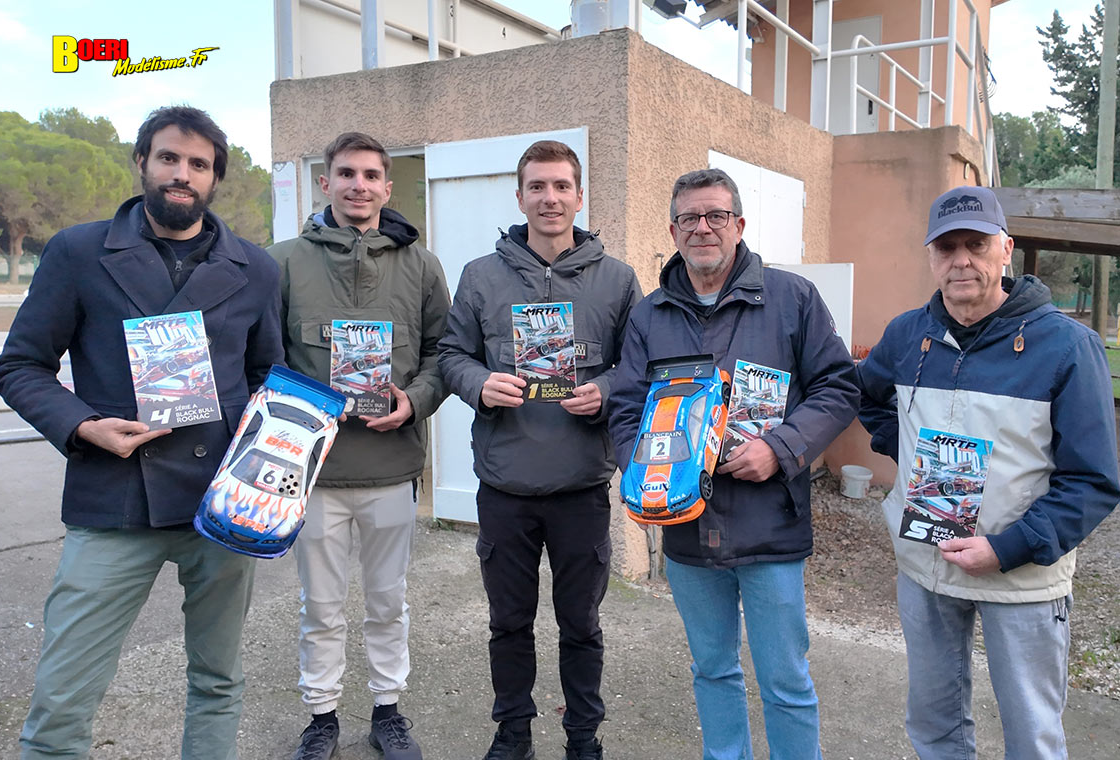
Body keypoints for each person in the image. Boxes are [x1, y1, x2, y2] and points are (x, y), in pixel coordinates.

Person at [0, 105, 284, 760]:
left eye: (199, 164)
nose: (183, 174)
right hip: (113, 500)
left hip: (221, 504)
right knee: (62, 695)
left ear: (216, 179)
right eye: (169, 158)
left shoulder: (258, 269)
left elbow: (269, 371)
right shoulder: (77, 251)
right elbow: (19, 367)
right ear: (142, 163)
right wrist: (85, 425)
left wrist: (280, 447)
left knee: (218, 680)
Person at [857, 185, 1120, 759]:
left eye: (975, 244)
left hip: (1021, 579)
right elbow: (869, 395)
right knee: (933, 724)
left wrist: (1007, 548)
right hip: (926, 568)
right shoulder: (908, 334)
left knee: (1031, 733)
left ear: (1006, 249)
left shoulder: (1069, 346)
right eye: (946, 248)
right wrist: (906, 453)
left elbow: (1094, 479)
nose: (961, 261)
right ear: (931, 257)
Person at [608, 168, 859, 760]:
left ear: (739, 225)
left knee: (785, 681)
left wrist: (781, 448)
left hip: (770, 524)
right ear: (673, 230)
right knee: (713, 670)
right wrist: (642, 475)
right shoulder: (649, 317)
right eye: (690, 218)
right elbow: (625, 410)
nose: (703, 228)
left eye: (716, 215)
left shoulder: (791, 298)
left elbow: (837, 388)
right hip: (688, 527)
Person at [438, 140, 641, 760]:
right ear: (520, 195)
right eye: (537, 187)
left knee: (581, 625)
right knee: (509, 624)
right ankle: (513, 735)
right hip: (506, 486)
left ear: (580, 196)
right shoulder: (481, 276)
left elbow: (639, 366)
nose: (549, 198)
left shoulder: (618, 279)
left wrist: (605, 388)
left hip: (581, 484)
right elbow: (451, 356)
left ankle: (583, 738)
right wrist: (480, 384)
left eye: (561, 186)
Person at [268, 132, 450, 760]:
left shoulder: (422, 266)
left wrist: (415, 400)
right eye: (346, 173)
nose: (359, 185)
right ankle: (320, 715)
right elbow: (263, 359)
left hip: (391, 467)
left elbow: (441, 356)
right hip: (313, 472)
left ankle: (387, 709)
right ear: (326, 182)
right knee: (319, 604)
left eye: (372, 175)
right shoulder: (284, 261)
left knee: (386, 601)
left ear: (388, 186)